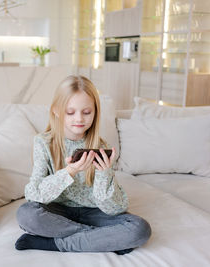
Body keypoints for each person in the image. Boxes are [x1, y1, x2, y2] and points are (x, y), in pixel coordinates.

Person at [15, 75, 151, 255]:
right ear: (56, 110)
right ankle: (103, 240)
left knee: (140, 229)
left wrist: (104, 174)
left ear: (95, 112)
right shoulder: (43, 143)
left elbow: (116, 208)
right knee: (26, 214)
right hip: (58, 213)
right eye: (70, 112)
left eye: (87, 112)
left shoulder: (100, 146)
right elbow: (33, 195)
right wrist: (69, 171)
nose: (79, 119)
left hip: (94, 212)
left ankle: (55, 244)